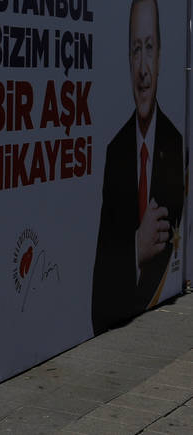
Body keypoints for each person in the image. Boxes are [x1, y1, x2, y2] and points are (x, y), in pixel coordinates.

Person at [92, 0, 184, 335]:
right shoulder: (115, 153)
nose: (143, 68)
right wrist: (136, 249)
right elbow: (98, 294)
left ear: (160, 57)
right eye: (135, 50)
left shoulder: (177, 147)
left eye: (149, 48)